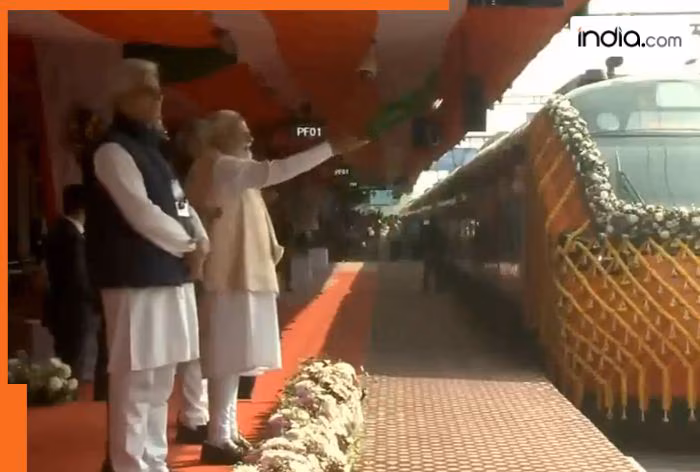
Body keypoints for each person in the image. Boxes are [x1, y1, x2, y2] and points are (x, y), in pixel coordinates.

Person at [185, 109, 367, 465]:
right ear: (220, 136)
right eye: (242, 131)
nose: (250, 138)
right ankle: (217, 436)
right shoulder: (223, 166)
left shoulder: (227, 167)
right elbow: (274, 171)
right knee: (226, 358)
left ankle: (226, 430)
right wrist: (329, 148)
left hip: (238, 275)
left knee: (233, 359)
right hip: (230, 276)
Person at [83, 58, 209, 472]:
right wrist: (189, 245)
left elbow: (180, 204)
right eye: (148, 90)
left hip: (172, 277)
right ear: (122, 97)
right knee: (136, 380)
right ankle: (129, 464)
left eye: (158, 90)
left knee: (161, 381)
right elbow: (141, 212)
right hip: (133, 280)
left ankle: (154, 462)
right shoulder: (112, 150)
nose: (158, 99)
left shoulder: (156, 152)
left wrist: (201, 239)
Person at [44, 184, 101, 379]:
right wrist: (98, 299)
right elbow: (80, 279)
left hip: (61, 311)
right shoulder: (72, 237)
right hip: (78, 312)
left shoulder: (57, 230)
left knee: (66, 366)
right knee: (78, 368)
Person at [421, 215, 447, 292]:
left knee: (427, 270)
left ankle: (426, 287)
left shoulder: (426, 229)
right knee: (438, 271)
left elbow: (424, 240)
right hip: (436, 251)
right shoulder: (438, 230)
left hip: (429, 251)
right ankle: (438, 288)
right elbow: (441, 241)